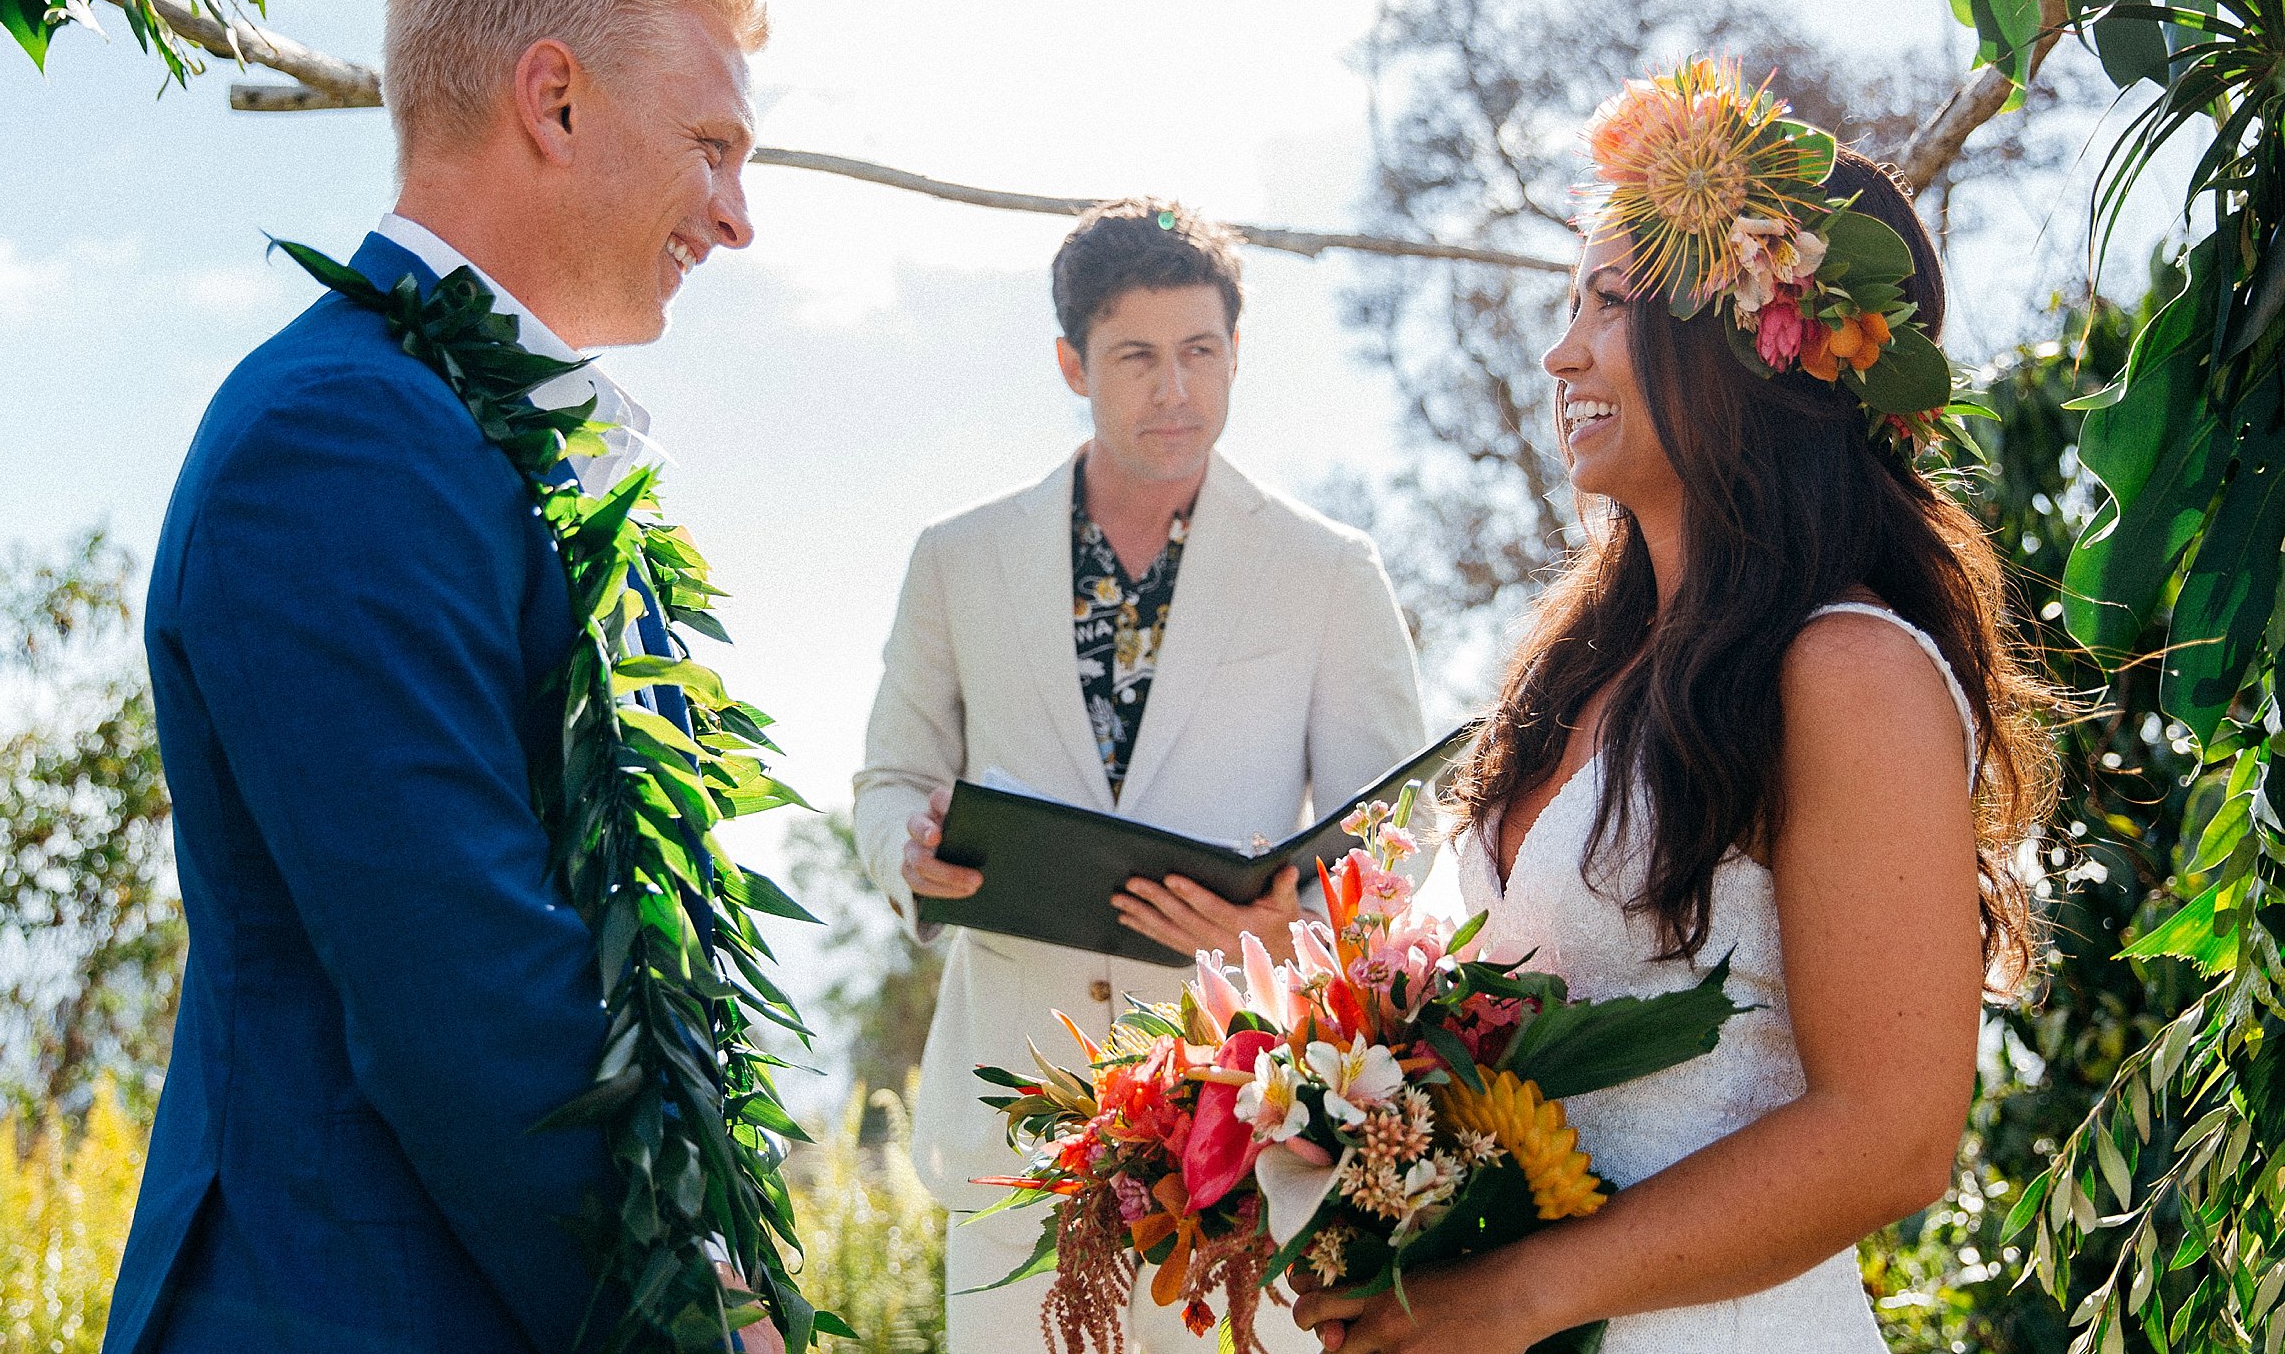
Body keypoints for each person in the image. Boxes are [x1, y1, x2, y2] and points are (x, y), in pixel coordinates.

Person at [102, 0, 783, 1354]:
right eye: (712, 147)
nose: (737, 215)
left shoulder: (477, 440)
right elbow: (466, 990)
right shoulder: (343, 433)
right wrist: (687, 1330)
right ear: (554, 100)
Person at [1292, 68, 2059, 1353]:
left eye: (1608, 301)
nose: (1561, 348)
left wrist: (1523, 1292)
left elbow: (1893, 1133)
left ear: (1741, 334)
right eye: (1569, 300)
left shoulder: (1847, 670)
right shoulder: (1581, 668)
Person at [854, 197, 1429, 1354]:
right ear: (1071, 362)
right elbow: (886, 779)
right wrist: (904, 851)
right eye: (1136, 356)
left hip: (1248, 1137)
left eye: (1201, 351)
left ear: (1234, 354)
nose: (1175, 388)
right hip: (1015, 1154)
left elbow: (1396, 839)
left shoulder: (1328, 569)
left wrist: (1285, 923)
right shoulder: (956, 558)